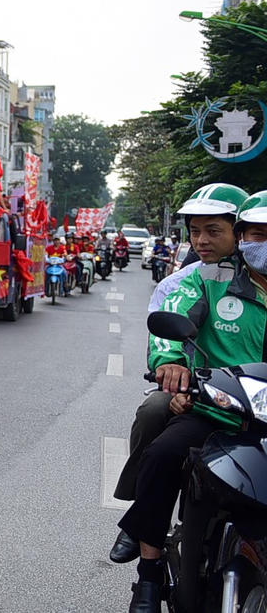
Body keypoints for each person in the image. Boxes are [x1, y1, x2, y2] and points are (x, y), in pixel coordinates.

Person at [118, 190, 267, 613]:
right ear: (243, 237)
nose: (264, 243)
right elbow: (169, 326)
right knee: (163, 452)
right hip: (220, 406)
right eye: (258, 234)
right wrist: (173, 368)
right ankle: (148, 578)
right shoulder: (205, 278)